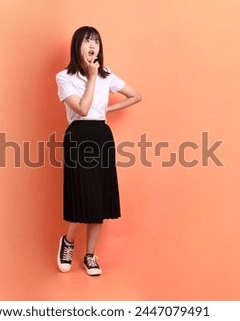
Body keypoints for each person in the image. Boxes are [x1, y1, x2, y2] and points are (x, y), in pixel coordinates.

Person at [55, 26, 141, 276]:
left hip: (102, 135)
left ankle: (90, 255)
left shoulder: (108, 75)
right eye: (86, 41)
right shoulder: (64, 77)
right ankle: (68, 242)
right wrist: (92, 77)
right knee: (84, 195)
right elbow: (81, 110)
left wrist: (105, 112)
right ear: (77, 46)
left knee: (100, 197)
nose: (92, 46)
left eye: (96, 42)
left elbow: (135, 96)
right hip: (79, 135)